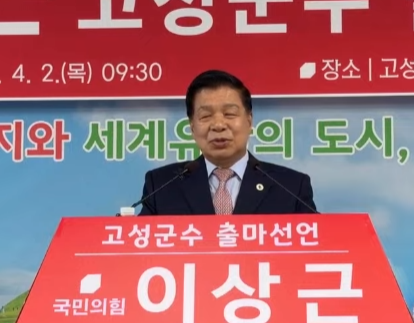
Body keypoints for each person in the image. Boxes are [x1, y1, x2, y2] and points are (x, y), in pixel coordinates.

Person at [136, 70, 317, 216]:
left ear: (249, 121)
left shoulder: (291, 187)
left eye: (229, 114)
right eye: (205, 116)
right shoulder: (161, 185)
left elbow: (317, 242)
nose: (218, 125)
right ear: (192, 127)